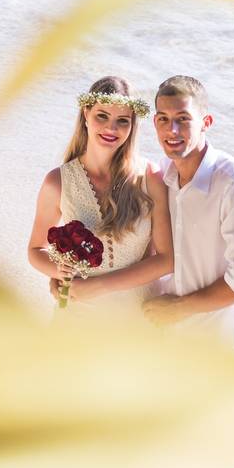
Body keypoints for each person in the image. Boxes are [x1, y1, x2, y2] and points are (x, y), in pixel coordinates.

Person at [27, 76, 173, 324]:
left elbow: (167, 259)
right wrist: (59, 272)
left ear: (132, 125)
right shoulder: (58, 182)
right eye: (102, 116)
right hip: (77, 314)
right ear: (86, 113)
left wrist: (100, 285)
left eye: (122, 121)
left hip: (137, 315)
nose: (111, 129)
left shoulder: (151, 177)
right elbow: (35, 249)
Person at [142, 76, 234, 358]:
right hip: (165, 345)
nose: (171, 130)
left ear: (206, 122)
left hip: (218, 349)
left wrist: (177, 309)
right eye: (163, 119)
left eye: (183, 119)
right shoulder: (162, 176)